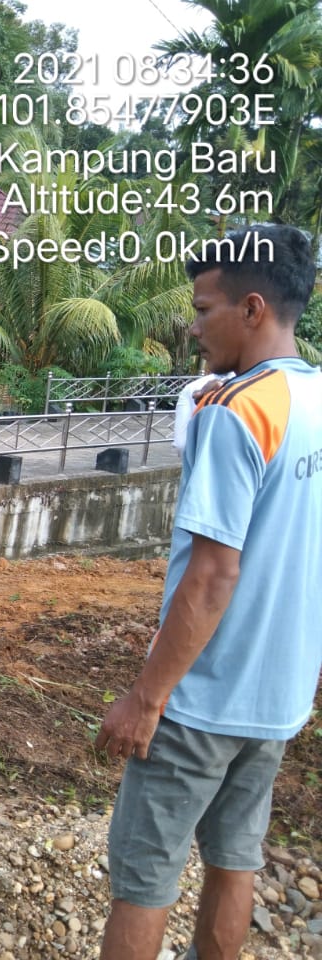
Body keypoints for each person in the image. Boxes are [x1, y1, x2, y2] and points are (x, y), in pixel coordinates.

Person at [95, 223, 322, 960]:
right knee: (236, 861)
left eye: (203, 309)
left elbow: (215, 573)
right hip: (279, 699)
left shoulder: (236, 413)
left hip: (200, 701)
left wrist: (147, 698)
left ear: (251, 308)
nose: (193, 328)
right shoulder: (312, 399)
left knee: (144, 880)